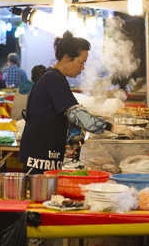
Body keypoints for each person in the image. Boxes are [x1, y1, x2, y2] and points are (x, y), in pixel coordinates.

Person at [19, 31, 113, 173]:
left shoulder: (53, 76)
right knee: (42, 194)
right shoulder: (55, 79)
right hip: (41, 151)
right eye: (81, 62)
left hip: (44, 147)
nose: (82, 68)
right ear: (67, 58)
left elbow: (66, 114)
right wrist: (112, 128)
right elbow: (78, 116)